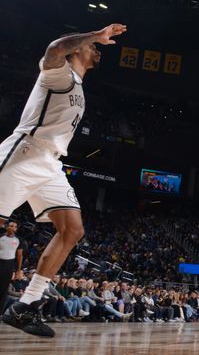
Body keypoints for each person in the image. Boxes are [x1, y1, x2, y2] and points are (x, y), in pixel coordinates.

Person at [0, 24, 127, 338]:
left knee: (72, 229)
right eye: (92, 46)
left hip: (51, 163)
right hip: (25, 153)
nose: (98, 49)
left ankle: (24, 305)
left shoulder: (78, 85)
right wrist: (94, 35)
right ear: (77, 51)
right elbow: (55, 47)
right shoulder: (60, 73)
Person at [0, 221, 25, 312]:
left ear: (16, 229)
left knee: (4, 289)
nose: (13, 228)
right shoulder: (1, 237)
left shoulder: (19, 240)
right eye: (11, 226)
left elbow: (19, 256)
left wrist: (18, 270)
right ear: (7, 227)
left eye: (15, 226)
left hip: (9, 265)